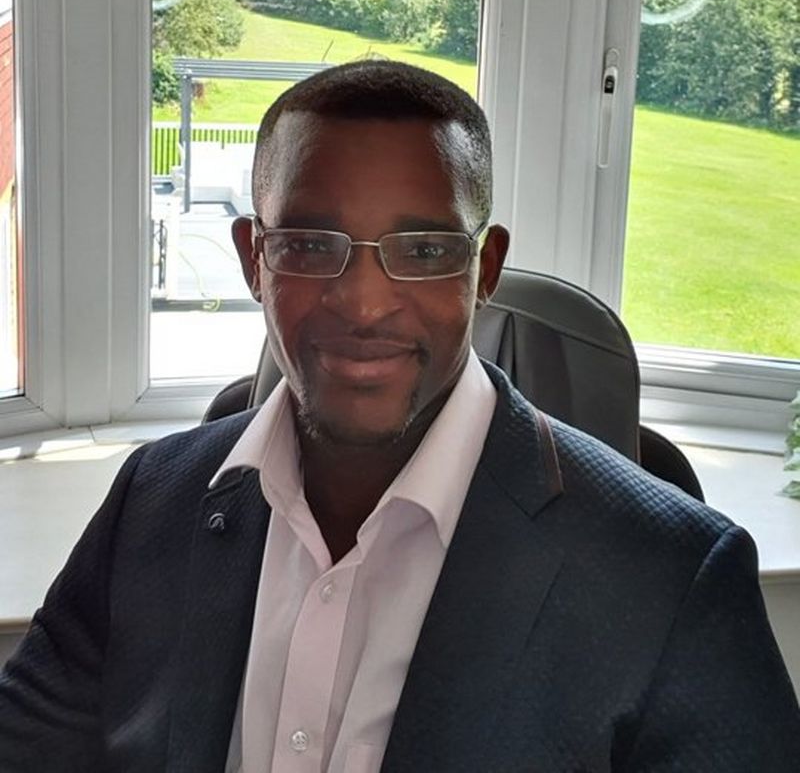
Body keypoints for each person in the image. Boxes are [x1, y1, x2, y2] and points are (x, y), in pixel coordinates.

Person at [0, 60, 798, 772]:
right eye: (312, 245)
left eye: (423, 251)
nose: (364, 301)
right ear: (254, 258)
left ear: (483, 271)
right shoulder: (154, 499)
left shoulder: (670, 578)